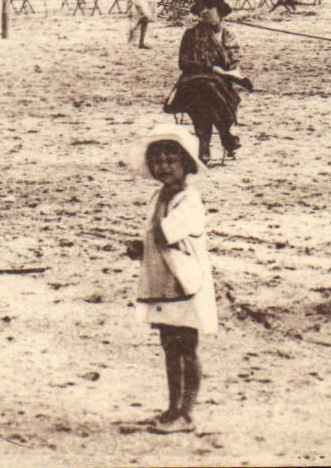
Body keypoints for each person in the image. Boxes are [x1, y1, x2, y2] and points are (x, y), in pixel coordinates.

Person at [124, 123, 216, 434]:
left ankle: (186, 413)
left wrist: (148, 239)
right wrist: (140, 246)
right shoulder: (159, 196)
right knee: (169, 346)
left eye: (171, 161)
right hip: (163, 283)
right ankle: (172, 407)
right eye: (158, 162)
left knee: (186, 347)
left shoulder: (189, 199)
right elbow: (154, 236)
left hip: (185, 284)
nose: (164, 167)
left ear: (185, 164)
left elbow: (165, 234)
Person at [167, 0, 247, 165]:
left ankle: (204, 145)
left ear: (219, 12)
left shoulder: (228, 36)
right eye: (202, 9)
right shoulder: (191, 34)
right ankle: (225, 135)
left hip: (218, 83)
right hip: (191, 80)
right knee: (204, 89)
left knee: (208, 92)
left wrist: (221, 61)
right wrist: (209, 67)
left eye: (209, 8)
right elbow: (183, 63)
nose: (204, 12)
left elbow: (232, 64)